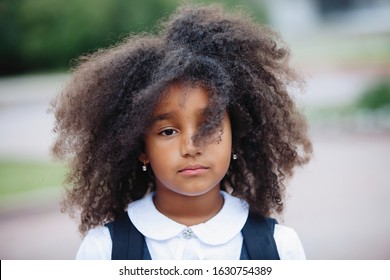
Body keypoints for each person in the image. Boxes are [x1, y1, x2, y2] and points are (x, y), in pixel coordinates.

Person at [51, 3, 312, 260]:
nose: (191, 146)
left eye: (209, 125)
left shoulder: (279, 247)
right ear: (141, 149)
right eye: (167, 132)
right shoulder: (103, 251)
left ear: (236, 136)